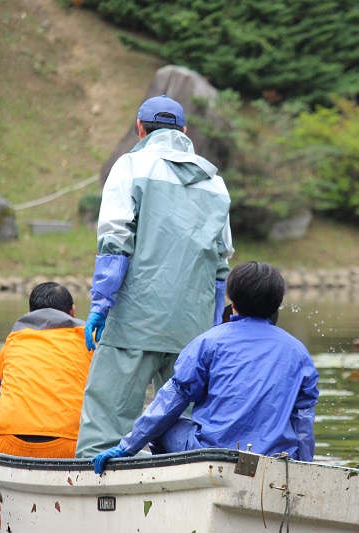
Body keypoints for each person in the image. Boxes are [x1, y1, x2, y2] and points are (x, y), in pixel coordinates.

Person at [76, 95, 234, 458]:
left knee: (105, 425)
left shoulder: (130, 166)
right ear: (185, 131)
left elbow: (115, 240)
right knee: (186, 425)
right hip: (191, 327)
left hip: (134, 319)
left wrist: (101, 304)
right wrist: (210, 329)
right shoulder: (215, 183)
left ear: (139, 128)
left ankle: (98, 496)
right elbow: (221, 264)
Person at [91, 261, 319, 472]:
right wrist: (304, 469)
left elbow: (171, 401)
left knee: (163, 429)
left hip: (211, 454)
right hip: (276, 457)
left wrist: (127, 447)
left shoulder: (208, 342)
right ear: (276, 305)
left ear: (233, 302)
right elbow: (303, 422)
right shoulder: (299, 352)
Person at [0, 282, 93, 458]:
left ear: (31, 312)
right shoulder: (90, 339)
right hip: (71, 446)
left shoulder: (15, 339)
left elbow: (2, 384)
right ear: (73, 311)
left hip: (7, 444)